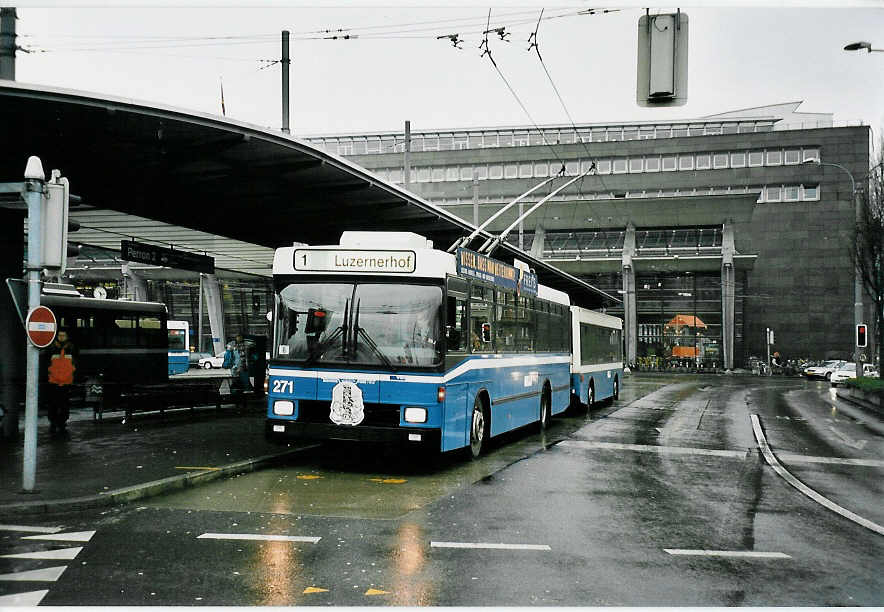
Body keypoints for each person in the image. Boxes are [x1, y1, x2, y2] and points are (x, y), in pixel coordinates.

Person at [45, 328, 77, 436]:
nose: (61, 337)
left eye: (64, 335)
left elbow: (75, 363)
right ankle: (54, 424)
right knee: (53, 404)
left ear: (67, 337)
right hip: (53, 382)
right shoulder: (51, 348)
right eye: (60, 335)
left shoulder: (72, 348)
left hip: (66, 382)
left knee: (64, 405)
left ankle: (62, 424)